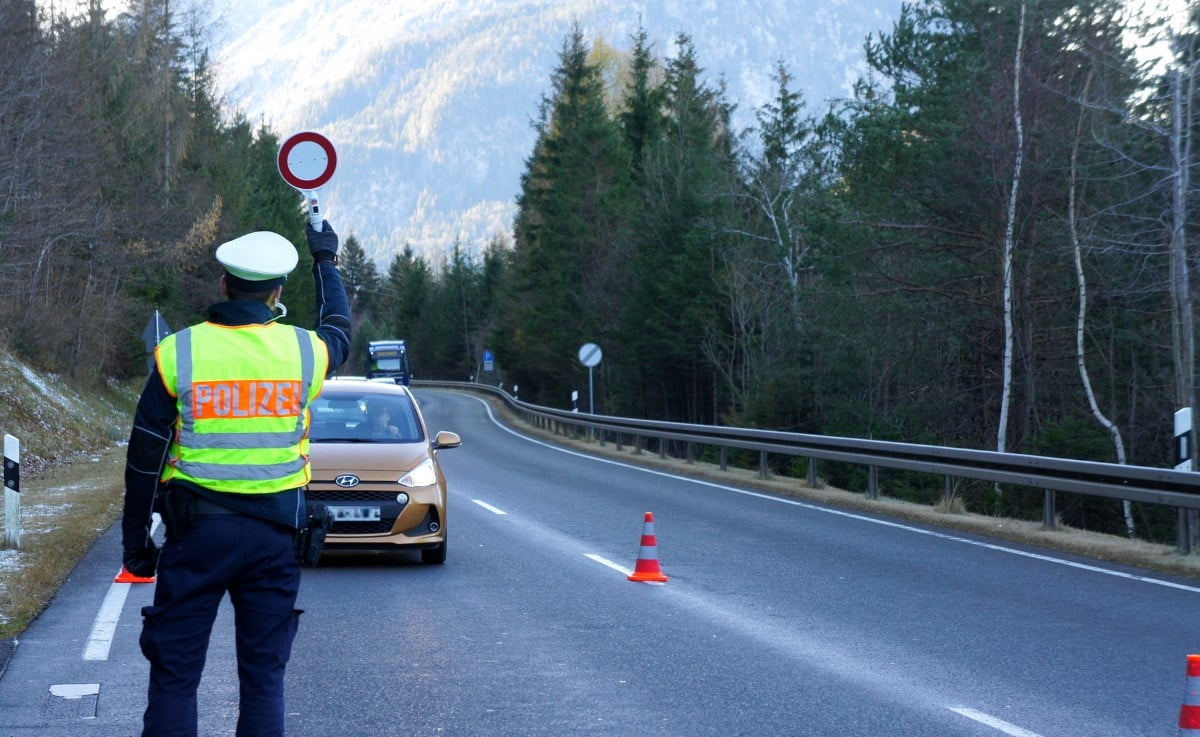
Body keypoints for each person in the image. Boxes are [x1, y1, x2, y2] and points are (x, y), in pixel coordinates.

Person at [120, 220, 351, 737]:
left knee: (175, 677)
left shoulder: (179, 352)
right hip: (275, 539)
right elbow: (339, 329)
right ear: (277, 293)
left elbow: (144, 457)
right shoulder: (303, 351)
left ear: (224, 284)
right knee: (264, 680)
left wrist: (136, 543)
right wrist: (325, 260)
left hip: (196, 537)